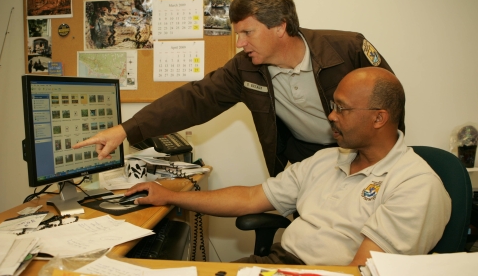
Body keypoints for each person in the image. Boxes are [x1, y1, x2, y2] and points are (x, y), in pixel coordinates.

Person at [122, 67, 451, 266]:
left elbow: (363, 269)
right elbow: (251, 198)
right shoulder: (327, 160)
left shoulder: (415, 184)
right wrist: (170, 196)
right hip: (281, 263)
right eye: (332, 105)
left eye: (343, 109)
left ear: (379, 118)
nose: (331, 116)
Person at [73, 0, 401, 177]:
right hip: (309, 164)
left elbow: (388, 104)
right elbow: (193, 99)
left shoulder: (347, 48)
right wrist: (125, 130)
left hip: (367, 158)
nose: (240, 42)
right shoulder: (244, 69)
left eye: (247, 32)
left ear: (280, 27)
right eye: (238, 33)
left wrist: (387, 162)